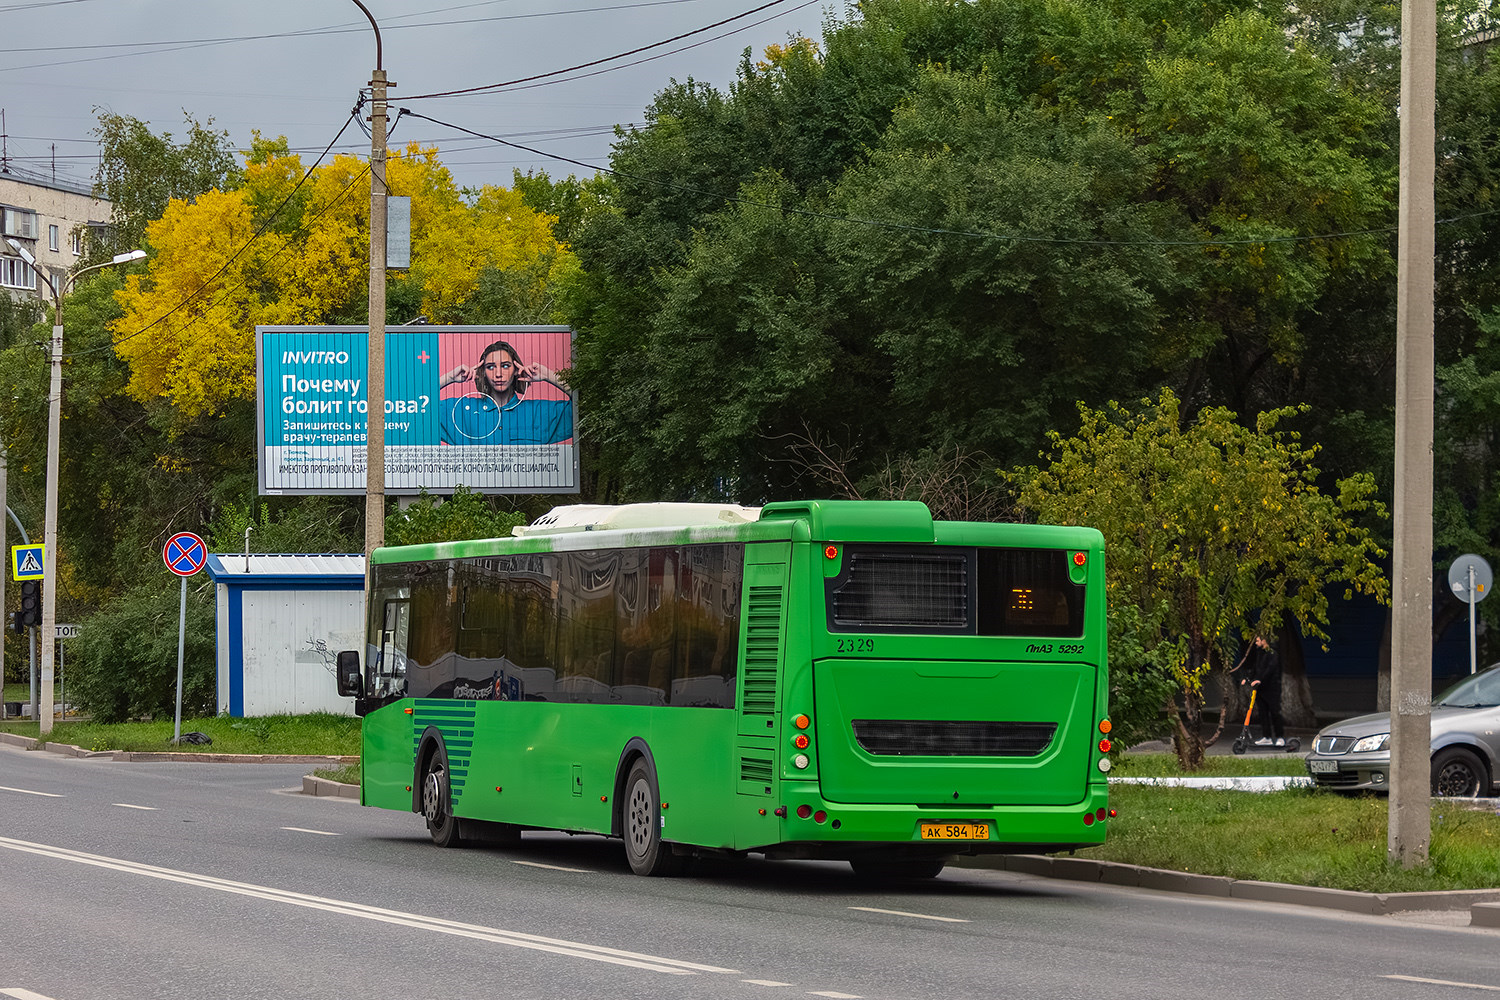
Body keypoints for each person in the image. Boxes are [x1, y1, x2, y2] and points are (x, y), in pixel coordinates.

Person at [439, 340, 573, 445]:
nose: (498, 374)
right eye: (490, 367)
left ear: (516, 370)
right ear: (483, 372)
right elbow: (418, 407)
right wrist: (448, 378)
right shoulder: (460, 411)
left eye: (505, 366)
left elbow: (586, 406)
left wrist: (549, 375)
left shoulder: (539, 412)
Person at [1244, 634, 1285, 747]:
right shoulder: (1260, 653)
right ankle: (1266, 737)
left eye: (1257, 640)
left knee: (1275, 712)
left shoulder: (1273, 653)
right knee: (1263, 713)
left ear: (1264, 640)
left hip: (1272, 688)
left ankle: (1280, 737)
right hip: (1260, 689)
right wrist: (1248, 678)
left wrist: (1259, 680)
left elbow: (1270, 669)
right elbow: (1256, 668)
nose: (1256, 643)